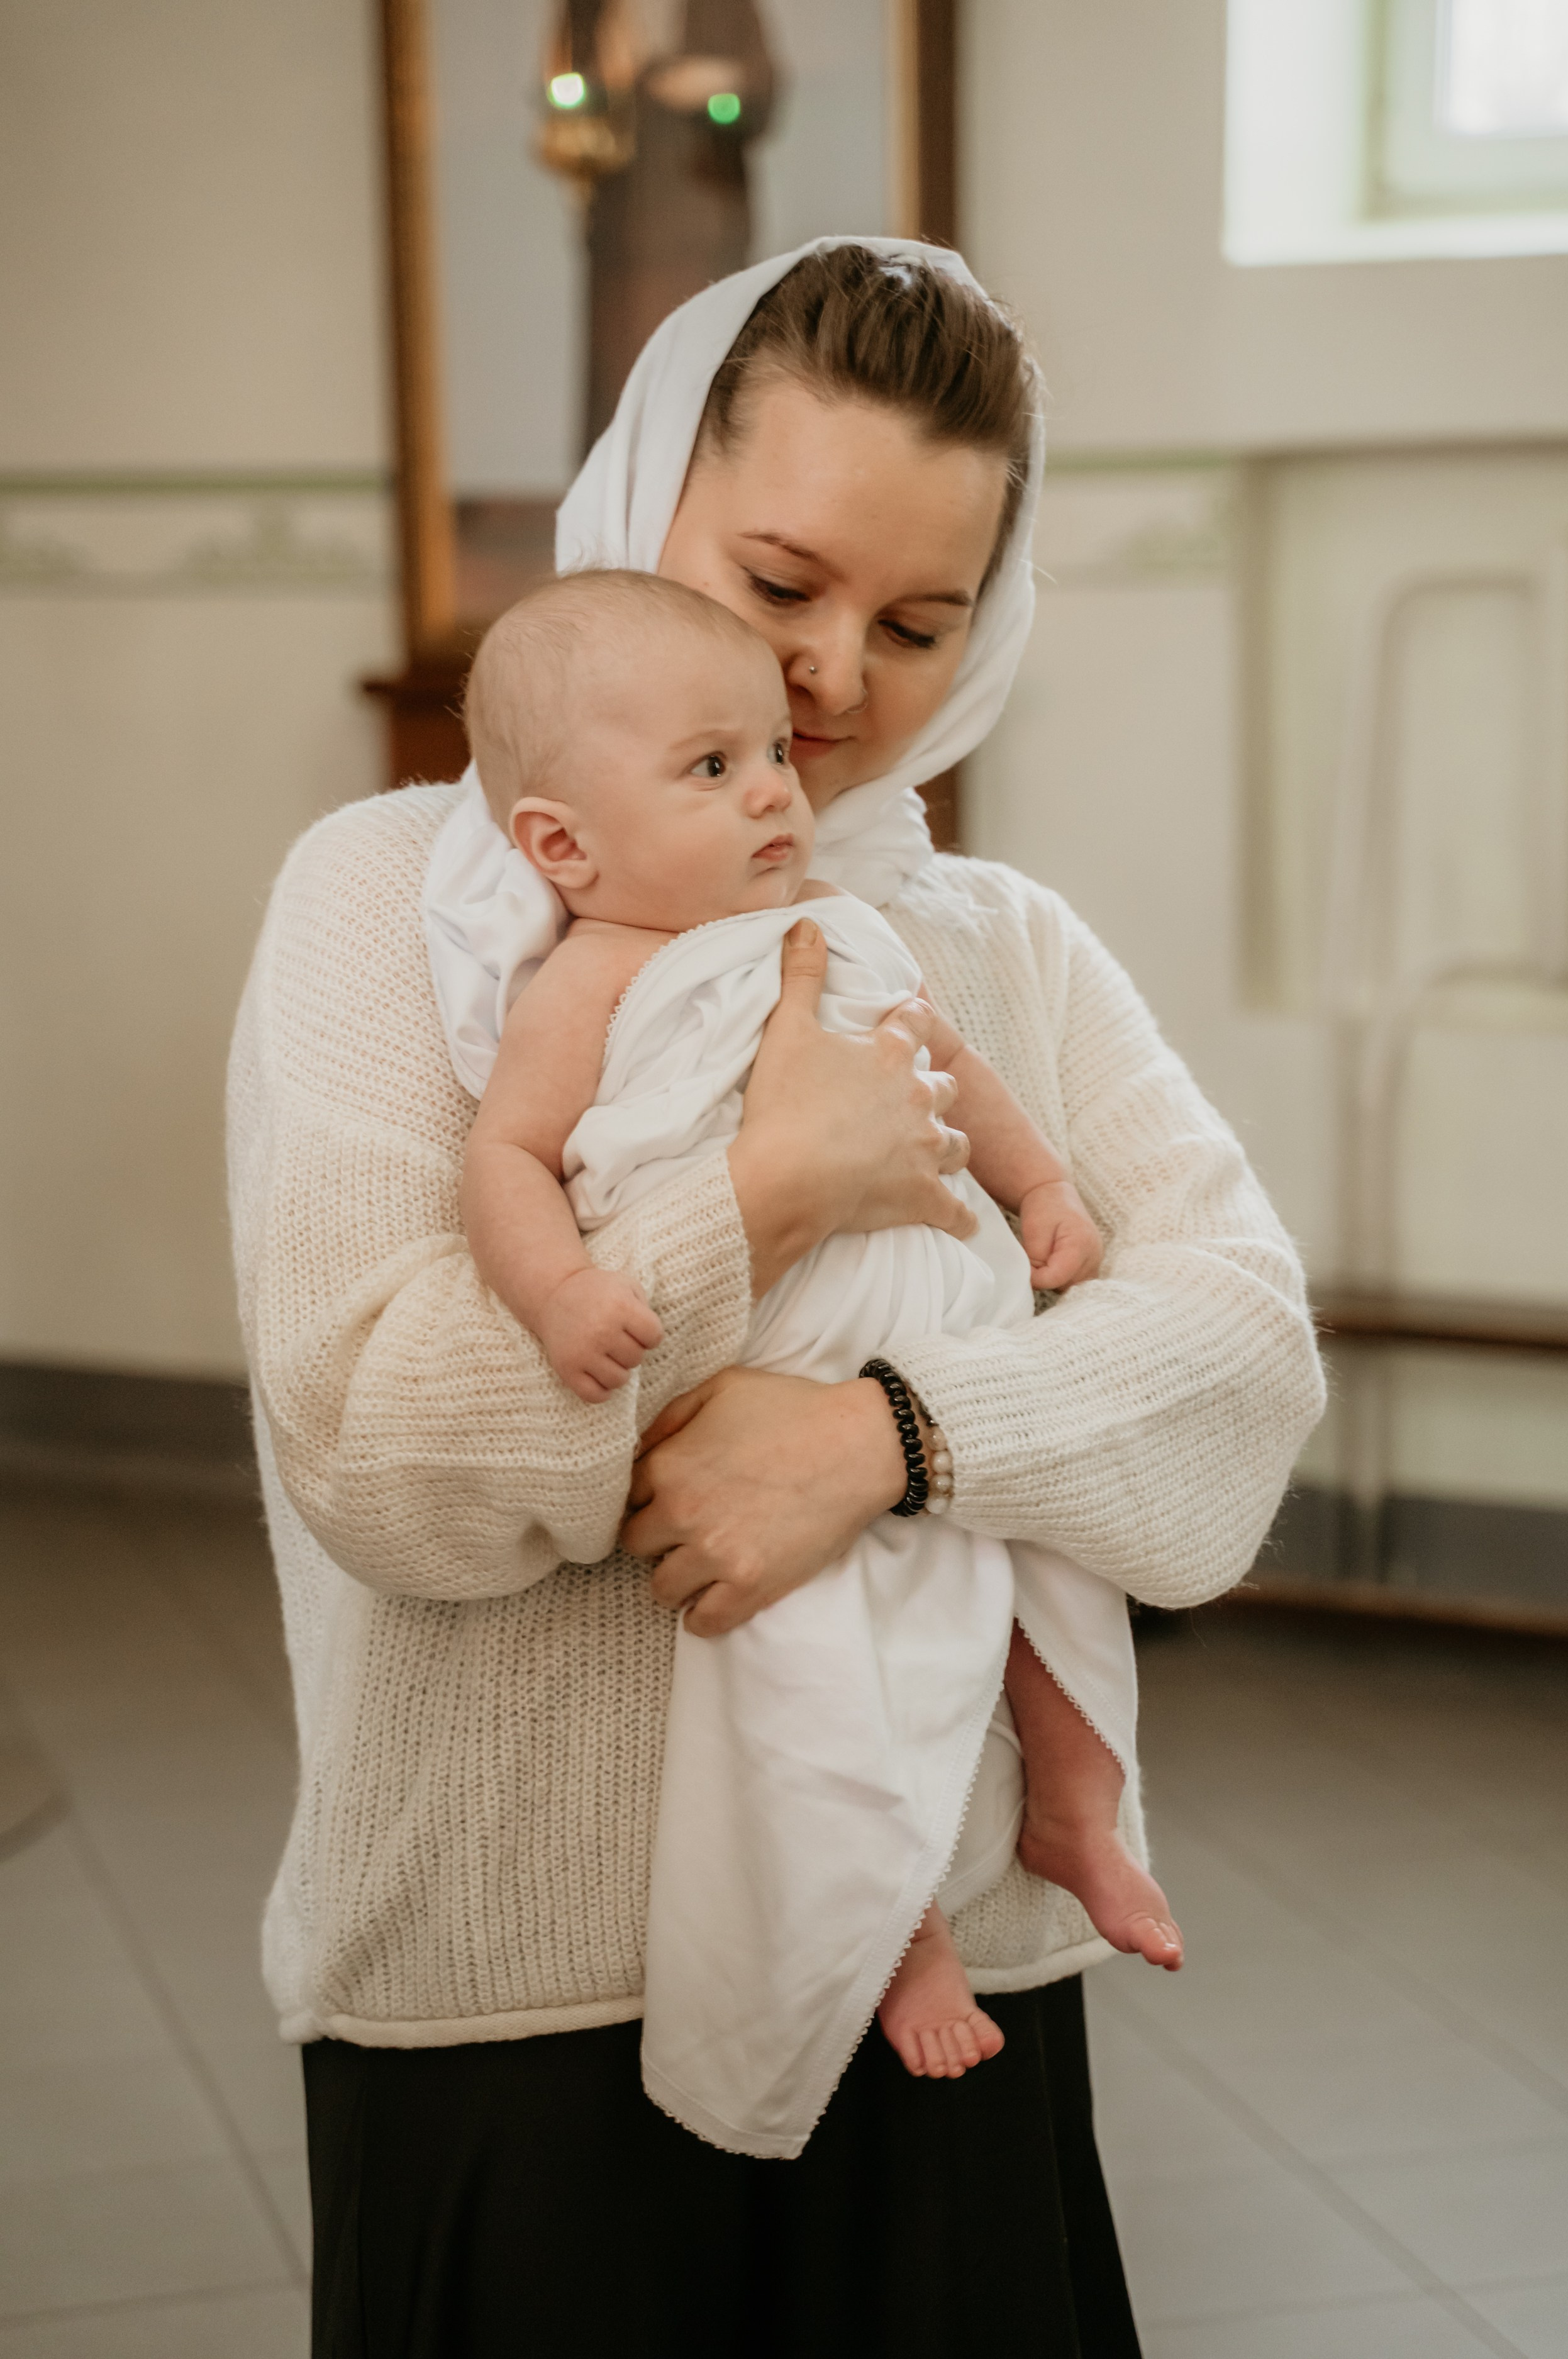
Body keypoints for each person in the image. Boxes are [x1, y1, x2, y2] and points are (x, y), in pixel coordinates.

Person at [230, 238, 1323, 2356]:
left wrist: (890, 1442)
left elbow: (1239, 1354)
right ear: (647, 502)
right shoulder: (386, 904)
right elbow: (380, 1444)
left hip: (953, 1987)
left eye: (920, 623)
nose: (833, 675)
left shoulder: (991, 941)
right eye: (780, 580)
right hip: (513, 1999)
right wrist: (760, 1199)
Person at [455, 566, 1180, 2145]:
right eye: (710, 770)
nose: (773, 792)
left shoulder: (831, 925)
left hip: (942, 1339)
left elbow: (951, 1066)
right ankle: (897, 1931)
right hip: (766, 1380)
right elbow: (503, 1163)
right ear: (564, 846)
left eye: (770, 754)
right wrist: (561, 1295)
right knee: (807, 1660)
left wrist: (1042, 1186)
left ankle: (1073, 1807)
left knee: (1050, 1573)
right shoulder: (584, 976)